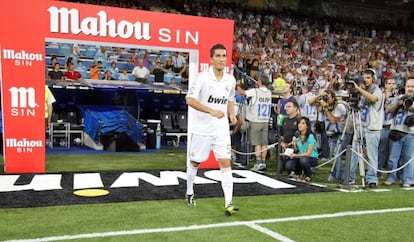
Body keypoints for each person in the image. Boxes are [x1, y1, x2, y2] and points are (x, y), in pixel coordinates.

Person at [185, 43, 239, 216]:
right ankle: (189, 191)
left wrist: (231, 114)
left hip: (220, 130)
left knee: (225, 162)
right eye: (218, 56)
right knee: (195, 162)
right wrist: (211, 111)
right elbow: (190, 100)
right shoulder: (202, 77)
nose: (222, 59)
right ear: (211, 58)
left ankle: (229, 203)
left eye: (224, 56)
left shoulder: (230, 79)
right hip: (201, 129)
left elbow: (230, 98)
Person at [349, 69, 384, 188]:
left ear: (373, 79)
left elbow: (373, 99)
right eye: (364, 77)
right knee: (353, 152)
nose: (365, 80)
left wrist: (358, 88)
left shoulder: (378, 91)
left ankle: (372, 179)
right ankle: (349, 177)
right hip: (360, 126)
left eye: (368, 77)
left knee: (371, 155)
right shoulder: (363, 92)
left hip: (372, 128)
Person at [309, 89, 352, 182]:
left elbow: (333, 120)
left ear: (333, 98)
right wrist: (319, 95)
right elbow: (310, 102)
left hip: (344, 132)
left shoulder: (339, 106)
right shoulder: (325, 103)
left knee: (337, 153)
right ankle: (340, 175)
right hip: (334, 133)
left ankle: (336, 175)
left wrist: (326, 109)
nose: (326, 100)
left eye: (328, 98)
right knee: (334, 154)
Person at [236, 74, 272, 171]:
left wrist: (238, 85)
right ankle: (263, 162)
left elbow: (242, 92)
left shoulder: (255, 91)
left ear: (260, 81)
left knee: (257, 143)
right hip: (265, 120)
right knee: (264, 143)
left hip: (255, 120)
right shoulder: (269, 92)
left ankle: (258, 162)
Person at [383, 78, 414, 188]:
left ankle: (408, 179)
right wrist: (398, 104)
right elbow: (388, 110)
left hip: (410, 133)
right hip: (396, 130)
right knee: (393, 158)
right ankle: (391, 177)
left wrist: (408, 105)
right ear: (405, 87)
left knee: (408, 158)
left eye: (412, 87)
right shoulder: (398, 98)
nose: (410, 89)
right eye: (408, 86)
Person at [285, 116, 319, 182]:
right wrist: (294, 144)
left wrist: (296, 155)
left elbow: (308, 153)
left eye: (303, 123)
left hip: (311, 157)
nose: (300, 125)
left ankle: (308, 175)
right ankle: (298, 173)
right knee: (288, 165)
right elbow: (296, 150)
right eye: (299, 123)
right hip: (300, 156)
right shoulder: (297, 135)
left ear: (307, 126)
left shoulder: (310, 136)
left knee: (303, 160)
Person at [378, 77, 397, 177]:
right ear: (385, 85)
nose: (391, 85)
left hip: (394, 126)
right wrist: (386, 98)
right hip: (382, 125)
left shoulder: (399, 97)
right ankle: (378, 171)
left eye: (393, 83)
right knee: (381, 151)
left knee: (393, 153)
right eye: (389, 83)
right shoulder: (380, 95)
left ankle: (393, 174)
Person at [280, 100, 300, 174]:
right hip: (284, 147)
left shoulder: (299, 120)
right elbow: (281, 134)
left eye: (289, 107)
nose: (286, 108)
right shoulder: (284, 120)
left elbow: (301, 136)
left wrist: (290, 144)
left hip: (295, 147)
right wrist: (282, 143)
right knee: (280, 168)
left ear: (295, 108)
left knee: (289, 167)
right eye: (286, 107)